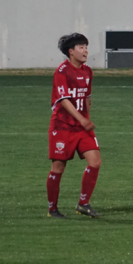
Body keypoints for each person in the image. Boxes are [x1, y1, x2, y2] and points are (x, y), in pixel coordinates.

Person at [46, 33, 101, 219]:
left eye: (86, 46)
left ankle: (83, 204)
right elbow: (64, 101)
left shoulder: (88, 71)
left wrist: (87, 118)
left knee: (95, 162)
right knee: (58, 167)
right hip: (62, 126)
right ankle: (52, 209)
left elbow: (87, 98)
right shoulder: (62, 72)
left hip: (82, 127)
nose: (86, 50)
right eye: (81, 47)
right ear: (71, 52)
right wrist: (82, 119)